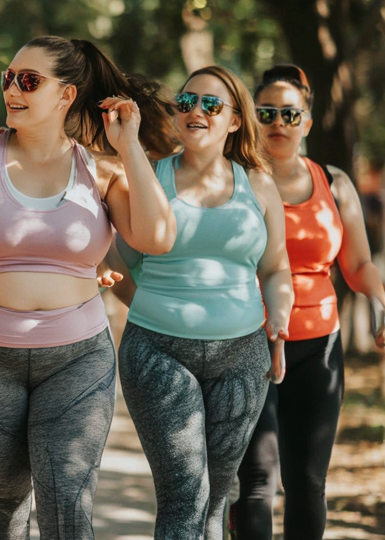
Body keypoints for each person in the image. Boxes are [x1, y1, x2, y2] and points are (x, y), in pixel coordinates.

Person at [0, 36, 179, 539]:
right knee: (4, 509)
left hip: (77, 359)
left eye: (29, 80)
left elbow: (158, 237)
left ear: (66, 95)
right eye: (8, 77)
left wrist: (130, 146)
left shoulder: (101, 170)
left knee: (68, 509)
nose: (12, 88)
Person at [112, 65, 293, 540]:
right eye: (186, 101)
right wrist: (158, 306)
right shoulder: (150, 178)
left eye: (211, 104)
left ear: (235, 120)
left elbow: (275, 268)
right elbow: (117, 265)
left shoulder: (259, 183)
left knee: (216, 496)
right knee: (183, 494)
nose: (195, 111)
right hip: (158, 351)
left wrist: (277, 316)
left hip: (243, 355)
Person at [229, 64, 385, 540]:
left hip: (319, 347)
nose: (279, 122)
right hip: (248, 342)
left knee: (308, 483)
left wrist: (380, 300)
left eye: (290, 114)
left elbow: (358, 266)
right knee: (257, 481)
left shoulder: (334, 183)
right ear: (252, 120)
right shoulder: (232, 181)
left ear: (307, 123)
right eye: (267, 113)